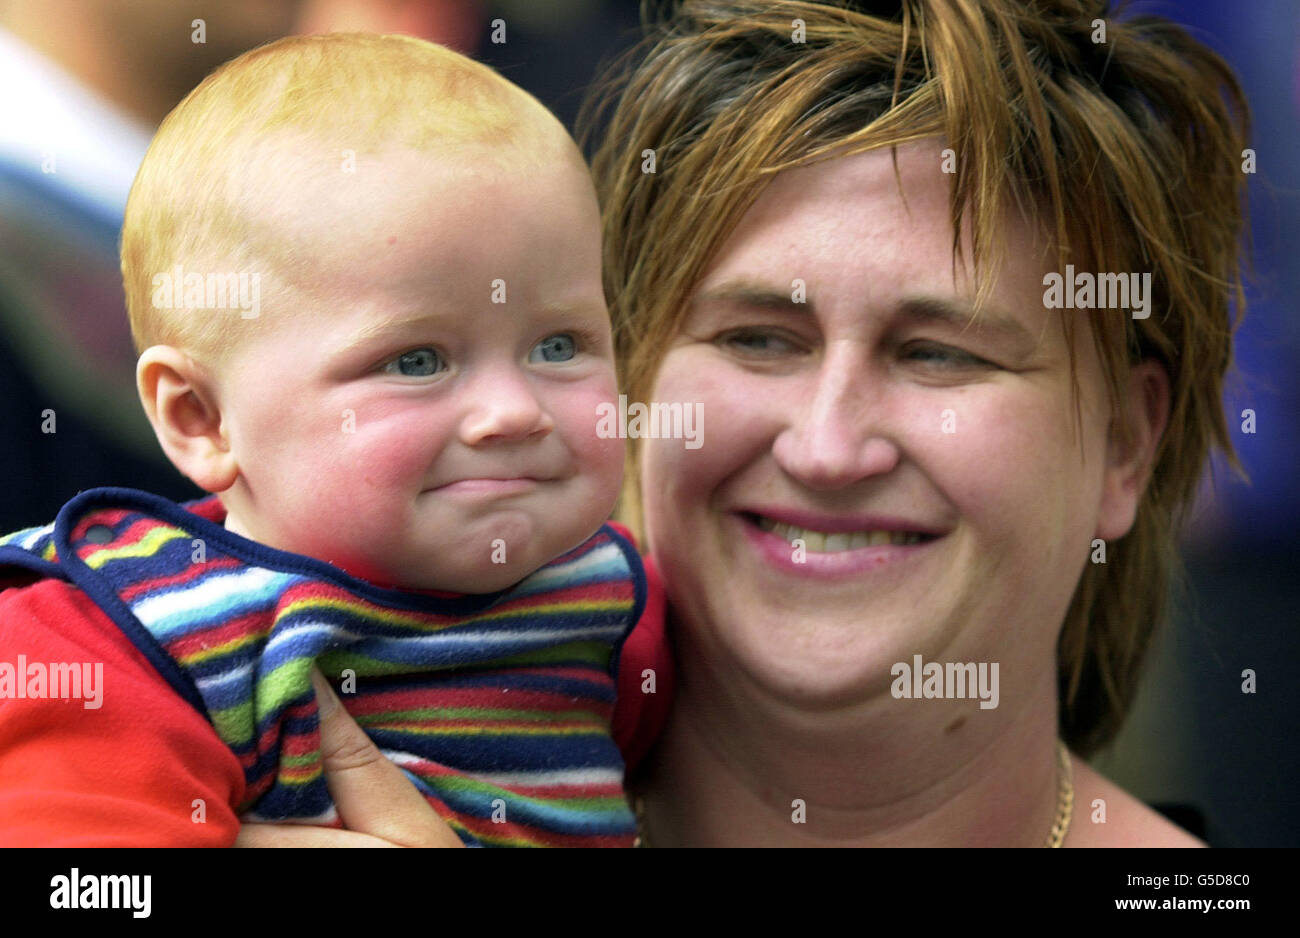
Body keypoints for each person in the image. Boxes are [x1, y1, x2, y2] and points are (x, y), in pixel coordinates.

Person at [234, 0, 1249, 848]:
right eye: (759, 338)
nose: (825, 447)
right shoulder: (283, 769)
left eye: (938, 353)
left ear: (1124, 442)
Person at [0, 32, 670, 847]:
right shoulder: (132, 638)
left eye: (558, 346)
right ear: (200, 418)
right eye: (417, 360)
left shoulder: (616, 602)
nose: (513, 410)